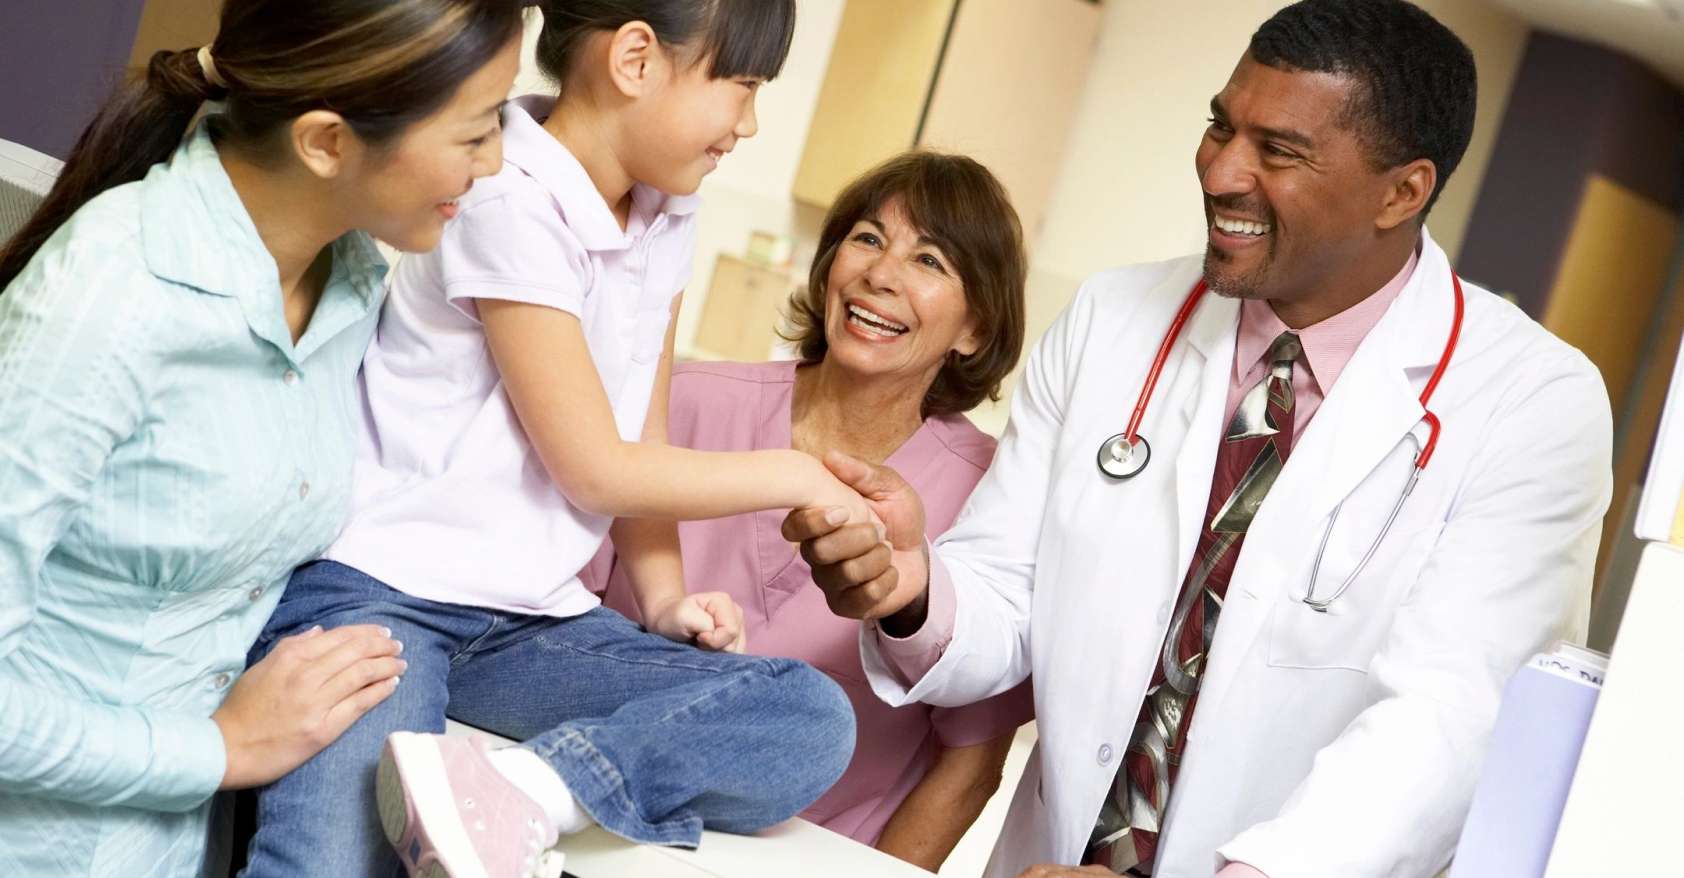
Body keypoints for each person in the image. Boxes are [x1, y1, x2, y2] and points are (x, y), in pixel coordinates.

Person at [781, 1, 1613, 876]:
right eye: (1221, 126)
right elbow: (1005, 597)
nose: (1220, 171)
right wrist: (913, 590)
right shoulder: (1112, 318)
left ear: (1403, 191)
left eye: (1278, 151)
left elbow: (1448, 721)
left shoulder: (1532, 403)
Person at [241, 3, 862, 877]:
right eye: (743, 86)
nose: (748, 124)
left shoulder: (667, 212)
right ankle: (512, 793)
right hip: (381, 595)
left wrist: (664, 600)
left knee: (806, 718)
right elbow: (596, 468)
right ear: (637, 59)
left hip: (526, 625)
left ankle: (529, 792)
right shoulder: (505, 195)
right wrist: (798, 473)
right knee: (334, 862)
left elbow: (639, 437)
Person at [0, 1, 527, 874]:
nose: (496, 162)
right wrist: (221, 749)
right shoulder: (109, 295)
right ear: (326, 141)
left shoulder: (352, 286)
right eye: (475, 133)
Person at [590, 152, 1034, 870]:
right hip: (594, 833)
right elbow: (552, 610)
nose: (880, 274)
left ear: (974, 330)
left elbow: (968, 769)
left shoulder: (993, 498)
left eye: (929, 259)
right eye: (866, 238)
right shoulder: (683, 403)